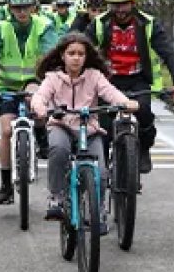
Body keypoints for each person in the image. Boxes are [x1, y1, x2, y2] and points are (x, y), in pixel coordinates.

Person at [31, 34, 140, 225]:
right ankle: (56, 198)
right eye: (71, 53)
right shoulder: (52, 78)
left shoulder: (94, 77)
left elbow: (110, 92)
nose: (76, 58)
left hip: (89, 130)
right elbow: (40, 96)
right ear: (62, 56)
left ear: (86, 57)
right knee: (58, 150)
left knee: (102, 171)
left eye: (81, 54)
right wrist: (40, 108)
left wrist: (125, 102)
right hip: (61, 126)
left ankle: (97, 211)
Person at [85, 0, 174, 173]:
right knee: (103, 125)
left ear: (133, 3)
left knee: (145, 116)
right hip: (109, 81)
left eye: (124, 4)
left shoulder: (148, 24)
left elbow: (167, 52)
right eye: (114, 5)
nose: (119, 10)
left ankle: (142, 150)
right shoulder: (99, 24)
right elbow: (81, 47)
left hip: (138, 79)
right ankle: (104, 165)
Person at [0, 0, 59, 204]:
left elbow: (50, 53)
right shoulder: (1, 28)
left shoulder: (44, 25)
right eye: (17, 8)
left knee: (38, 108)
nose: (21, 12)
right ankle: (6, 184)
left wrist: (47, 81)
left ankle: (41, 133)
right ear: (10, 9)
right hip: (8, 86)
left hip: (35, 82)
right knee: (6, 131)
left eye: (26, 7)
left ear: (34, 7)